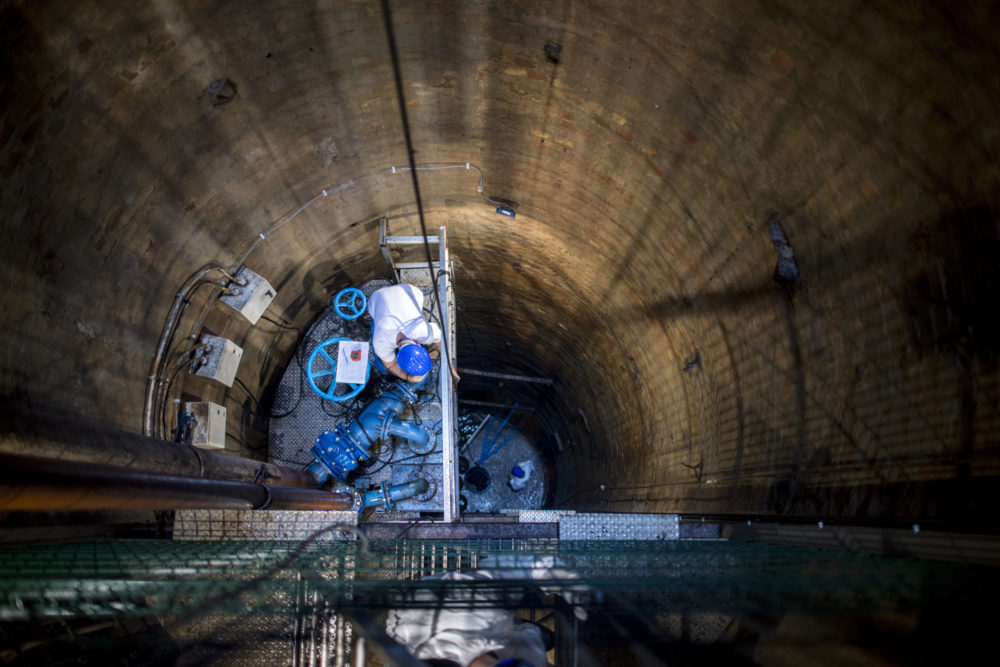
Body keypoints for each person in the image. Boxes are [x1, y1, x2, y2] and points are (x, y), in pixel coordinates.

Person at [367, 283, 459, 383]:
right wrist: (408, 377)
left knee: (384, 363)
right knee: (383, 368)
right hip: (378, 298)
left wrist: (449, 366)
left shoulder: (424, 332)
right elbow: (390, 366)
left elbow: (440, 340)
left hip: (408, 291)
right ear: (419, 345)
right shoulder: (381, 343)